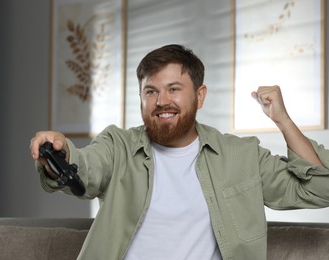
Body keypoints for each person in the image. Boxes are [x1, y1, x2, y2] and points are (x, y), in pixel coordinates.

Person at [30, 44, 329, 260]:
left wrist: (283, 120)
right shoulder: (117, 146)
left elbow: (320, 188)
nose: (162, 101)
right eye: (151, 91)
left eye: (174, 89)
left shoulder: (242, 155)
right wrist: (61, 151)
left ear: (200, 96)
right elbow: (85, 168)